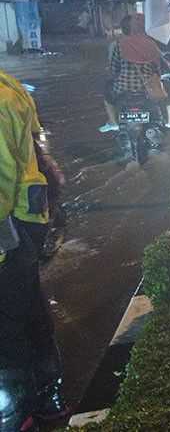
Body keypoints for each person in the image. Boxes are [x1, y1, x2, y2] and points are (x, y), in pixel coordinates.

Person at [0, 70, 68, 431]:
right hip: (28, 216)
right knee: (28, 307)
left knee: (9, 322)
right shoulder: (9, 86)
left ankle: (16, 409)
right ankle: (47, 394)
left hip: (10, 226)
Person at [99, 14, 170, 133]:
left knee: (107, 90)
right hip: (148, 88)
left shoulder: (119, 44)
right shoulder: (150, 44)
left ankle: (113, 122)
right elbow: (158, 67)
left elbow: (114, 69)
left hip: (122, 88)